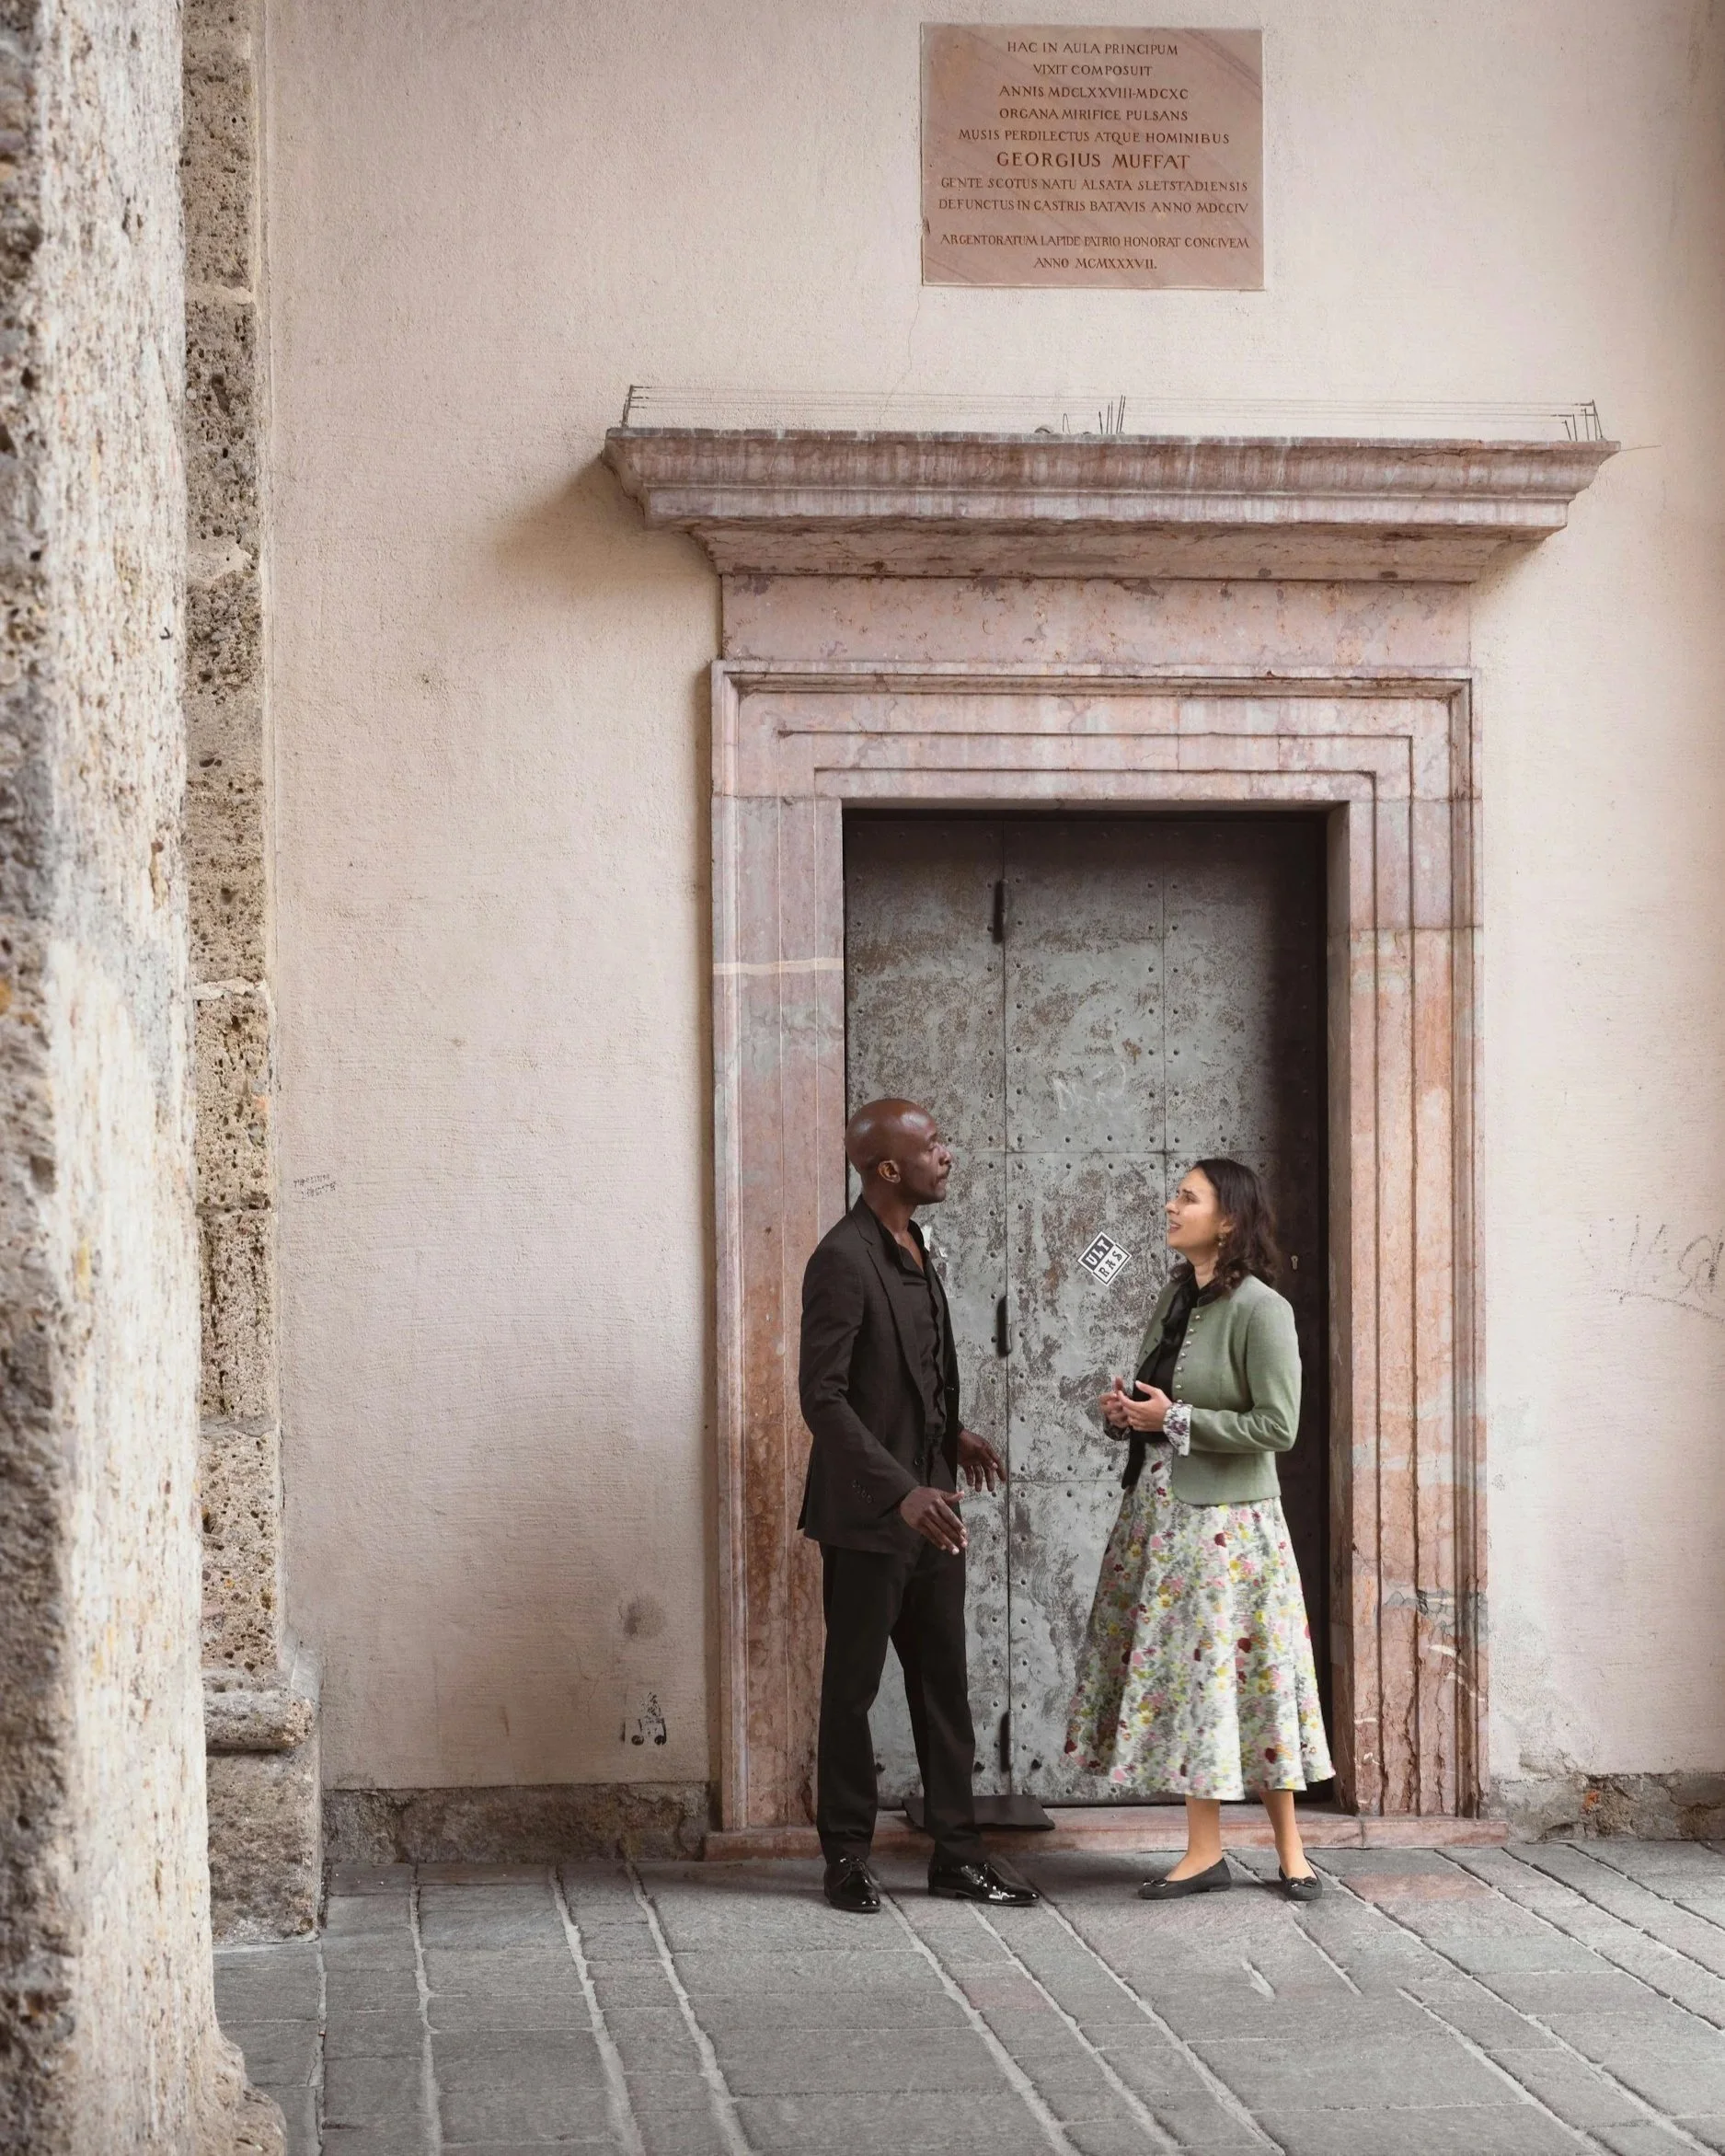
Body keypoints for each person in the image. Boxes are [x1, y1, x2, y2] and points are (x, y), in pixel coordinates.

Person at [1065, 1158, 1333, 1902]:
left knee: (1254, 1678)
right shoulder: (1176, 1294)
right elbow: (1161, 1399)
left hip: (1230, 1532)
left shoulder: (1261, 1309)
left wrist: (1173, 1417)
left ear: (1228, 1219)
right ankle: (1204, 1850)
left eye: (1187, 1197)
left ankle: (1291, 1851)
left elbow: (1277, 1426)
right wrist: (1129, 1412)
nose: (1169, 1205)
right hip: (1164, 1522)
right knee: (1195, 1681)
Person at [799, 1097, 1037, 1916]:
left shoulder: (914, 1244)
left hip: (934, 1507)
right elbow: (824, 1398)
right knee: (852, 1692)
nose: (948, 1153)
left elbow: (904, 1373)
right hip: (871, 1516)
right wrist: (900, 1490)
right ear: (887, 1168)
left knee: (943, 1689)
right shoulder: (842, 1257)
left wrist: (951, 1433)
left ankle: (957, 1857)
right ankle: (845, 1857)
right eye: (932, 1144)